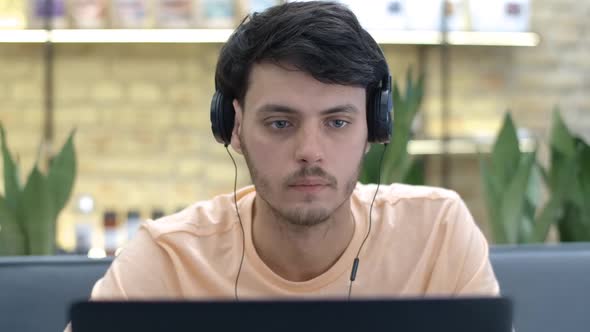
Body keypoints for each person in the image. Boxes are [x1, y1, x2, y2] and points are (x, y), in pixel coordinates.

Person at [65, 2, 499, 330]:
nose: (310, 150)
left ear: (374, 129)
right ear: (233, 129)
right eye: (280, 123)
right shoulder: (168, 260)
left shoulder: (436, 233)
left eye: (337, 122)